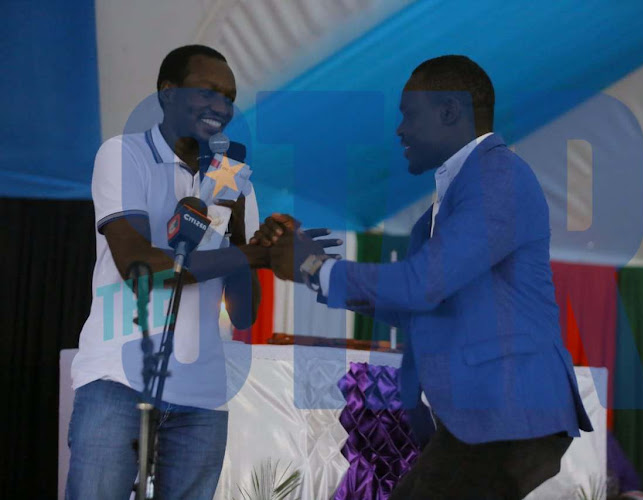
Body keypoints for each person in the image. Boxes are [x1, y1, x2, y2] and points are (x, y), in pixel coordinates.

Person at [253, 55, 593, 499]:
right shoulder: (441, 209)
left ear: (450, 111)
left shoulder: (498, 174)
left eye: (409, 114)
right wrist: (311, 270)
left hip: (510, 410)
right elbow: (414, 306)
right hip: (486, 417)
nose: (399, 130)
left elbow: (420, 283)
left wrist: (316, 267)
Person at [66, 45, 336, 499]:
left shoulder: (235, 182)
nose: (222, 107)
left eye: (228, 97)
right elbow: (137, 266)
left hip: (202, 394)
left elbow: (246, 311)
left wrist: (237, 235)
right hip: (117, 377)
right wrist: (250, 255)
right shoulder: (124, 155)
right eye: (208, 92)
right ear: (168, 94)